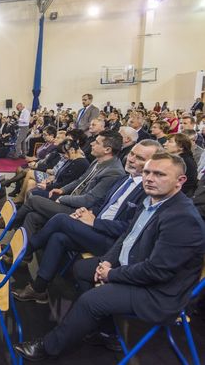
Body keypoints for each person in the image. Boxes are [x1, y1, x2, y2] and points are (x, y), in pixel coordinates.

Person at [14, 152, 205, 361]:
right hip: (135, 266)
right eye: (147, 172)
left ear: (180, 181)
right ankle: (104, 330)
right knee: (82, 269)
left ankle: (48, 347)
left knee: (92, 301)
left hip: (159, 293)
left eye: (159, 174)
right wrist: (107, 261)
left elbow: (157, 271)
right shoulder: (152, 201)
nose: (150, 178)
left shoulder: (182, 219)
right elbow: (126, 237)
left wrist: (111, 274)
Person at [11, 140, 162, 304]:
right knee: (58, 237)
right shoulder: (125, 179)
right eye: (132, 153)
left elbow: (129, 229)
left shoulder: (148, 191)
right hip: (97, 228)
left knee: (60, 219)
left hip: (114, 242)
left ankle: (23, 251)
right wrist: (87, 212)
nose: (131, 159)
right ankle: (39, 289)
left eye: (139, 158)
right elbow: (102, 203)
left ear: (153, 164)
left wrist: (94, 222)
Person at [12, 130, 125, 234]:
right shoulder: (98, 160)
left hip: (80, 210)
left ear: (107, 149)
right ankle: (21, 245)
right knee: (33, 216)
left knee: (34, 199)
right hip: (73, 199)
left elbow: (88, 200)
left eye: (96, 142)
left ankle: (9, 224)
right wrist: (62, 190)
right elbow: (80, 180)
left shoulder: (113, 172)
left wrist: (62, 198)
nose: (91, 144)